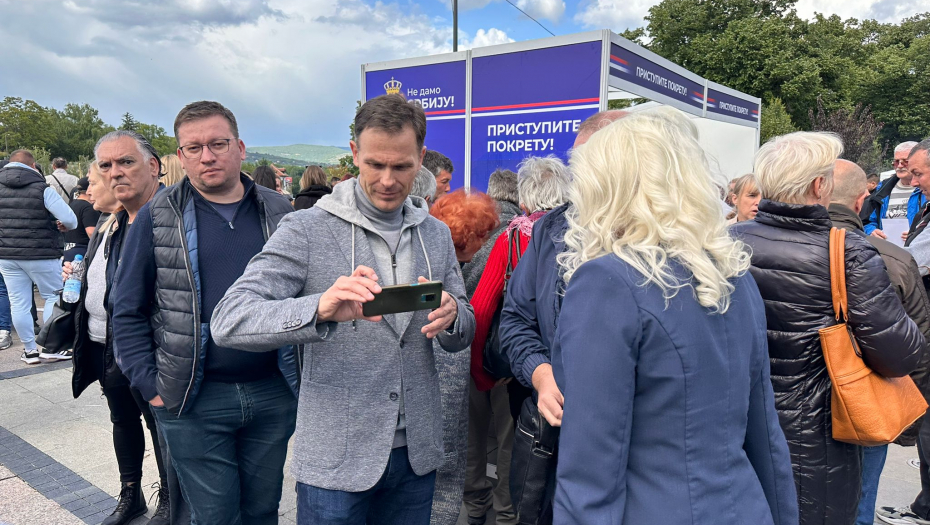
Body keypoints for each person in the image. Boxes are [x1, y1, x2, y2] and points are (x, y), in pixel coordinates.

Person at [210, 94, 476, 525]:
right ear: (354, 153)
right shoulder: (306, 228)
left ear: (420, 157)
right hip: (336, 459)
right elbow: (230, 320)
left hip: (417, 456)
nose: (387, 180)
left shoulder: (436, 234)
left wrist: (453, 317)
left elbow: (464, 324)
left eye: (401, 166)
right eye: (375, 164)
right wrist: (320, 308)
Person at [552, 106, 797, 525]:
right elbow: (765, 434)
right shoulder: (733, 276)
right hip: (743, 507)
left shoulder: (608, 282)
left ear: (604, 189)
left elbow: (590, 471)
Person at [111, 101, 297, 525]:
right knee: (214, 516)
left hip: (272, 390)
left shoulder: (279, 211)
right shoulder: (158, 216)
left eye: (217, 144)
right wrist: (151, 387)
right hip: (194, 397)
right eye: (193, 148)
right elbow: (126, 309)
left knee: (263, 511)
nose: (206, 156)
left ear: (240, 148)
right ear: (181, 156)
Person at [732, 131, 924, 525]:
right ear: (820, 185)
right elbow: (899, 354)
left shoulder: (722, 242)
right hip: (815, 435)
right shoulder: (848, 251)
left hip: (733, 423)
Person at [497, 109, 627, 525]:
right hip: (557, 443)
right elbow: (514, 320)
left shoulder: (676, 244)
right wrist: (540, 372)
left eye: (598, 163)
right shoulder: (551, 231)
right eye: (580, 164)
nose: (585, 177)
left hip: (635, 453)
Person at [67, 150, 173, 525]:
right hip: (103, 343)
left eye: (92, 183)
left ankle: (170, 498)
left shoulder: (153, 221)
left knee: (158, 423)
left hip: (142, 347)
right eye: (103, 172)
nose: (91, 189)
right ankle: (131, 494)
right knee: (122, 419)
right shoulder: (107, 224)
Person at [466, 156, 569, 525]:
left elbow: (481, 309)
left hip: (523, 367)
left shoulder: (513, 237)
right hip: (570, 370)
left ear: (524, 199)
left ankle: (510, 515)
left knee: (522, 442)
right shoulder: (586, 236)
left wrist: (483, 375)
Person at [826, 158, 930, 525]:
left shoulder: (756, 245)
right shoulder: (894, 259)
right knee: (860, 498)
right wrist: (904, 423)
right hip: (866, 404)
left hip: (790, 404)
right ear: (860, 201)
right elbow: (918, 348)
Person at [426, 189, 501, 525]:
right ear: (469, 236)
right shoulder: (460, 267)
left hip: (454, 371)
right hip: (456, 369)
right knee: (458, 446)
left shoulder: (440, 258)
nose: (485, 243)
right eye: (482, 235)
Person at [0, 149, 77, 364]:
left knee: (18, 303)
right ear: (33, 166)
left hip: (7, 255)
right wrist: (61, 225)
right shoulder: (42, 188)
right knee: (52, 296)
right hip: (42, 253)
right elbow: (71, 220)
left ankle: (30, 350)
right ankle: (51, 347)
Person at [462, 169, 520, 298]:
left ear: (489, 193)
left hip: (461, 303)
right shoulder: (518, 232)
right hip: (494, 307)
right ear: (520, 197)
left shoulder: (466, 226)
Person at [864, 141, 923, 238]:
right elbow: (867, 221)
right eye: (896, 162)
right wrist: (872, 231)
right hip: (887, 246)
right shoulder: (883, 189)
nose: (900, 166)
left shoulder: (926, 189)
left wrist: (918, 234)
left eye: (905, 162)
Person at [62, 177, 101, 262]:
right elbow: (91, 232)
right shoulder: (88, 208)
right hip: (82, 252)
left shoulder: (70, 205)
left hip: (68, 250)